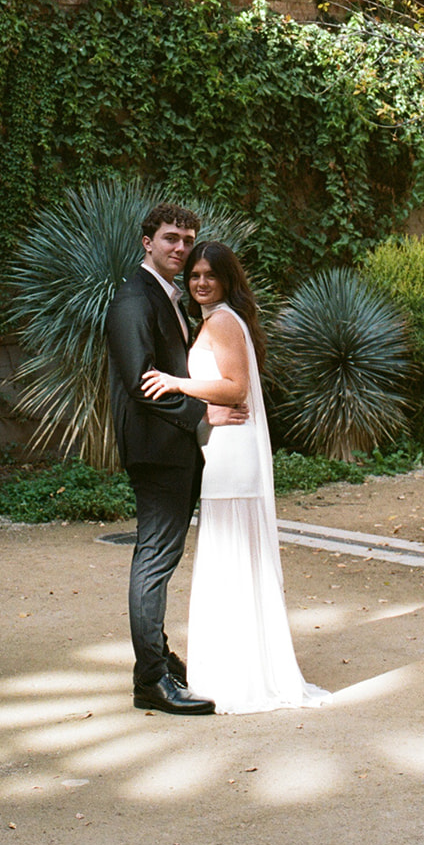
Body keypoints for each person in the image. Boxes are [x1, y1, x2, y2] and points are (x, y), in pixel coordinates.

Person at [142, 242, 328, 714]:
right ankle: (236, 668)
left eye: (210, 275)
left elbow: (235, 387)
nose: (200, 282)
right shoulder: (217, 320)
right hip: (223, 448)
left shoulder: (223, 321)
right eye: (194, 275)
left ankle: (239, 676)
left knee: (233, 557)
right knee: (232, 559)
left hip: (233, 451)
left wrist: (176, 381)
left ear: (226, 280)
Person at [105, 204, 249, 715]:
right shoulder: (132, 299)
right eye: (170, 239)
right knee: (155, 559)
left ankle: (160, 660)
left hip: (175, 449)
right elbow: (142, 384)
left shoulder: (168, 297)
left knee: (162, 558)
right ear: (147, 242)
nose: (181, 249)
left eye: (188, 240)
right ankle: (151, 680)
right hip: (156, 449)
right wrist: (203, 413)